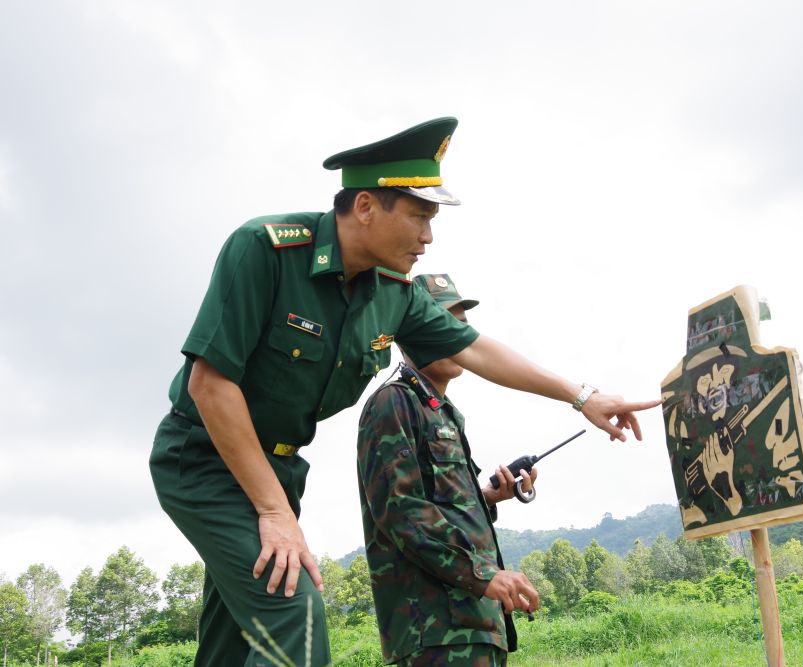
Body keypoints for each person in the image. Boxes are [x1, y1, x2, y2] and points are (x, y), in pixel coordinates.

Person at [149, 117, 658, 666]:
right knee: (295, 615)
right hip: (203, 458)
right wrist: (275, 514)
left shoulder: (394, 294)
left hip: (279, 470)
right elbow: (210, 383)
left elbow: (477, 350)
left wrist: (582, 396)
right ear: (366, 207)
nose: (428, 236)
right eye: (419, 215)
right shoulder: (266, 250)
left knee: (235, 641)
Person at [358, 274, 538, 666]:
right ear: (406, 334)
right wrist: (483, 574)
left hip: (475, 624)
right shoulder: (393, 403)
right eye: (440, 322)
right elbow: (400, 511)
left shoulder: (443, 411)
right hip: (435, 630)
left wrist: (487, 496)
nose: (452, 334)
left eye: (459, 325)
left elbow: (439, 502)